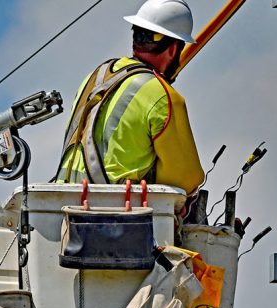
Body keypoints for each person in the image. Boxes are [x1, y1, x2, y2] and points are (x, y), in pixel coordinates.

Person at [53, 0, 204, 195]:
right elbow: (186, 178)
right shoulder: (162, 95)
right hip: (114, 207)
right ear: (174, 48)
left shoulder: (96, 77)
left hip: (61, 199)